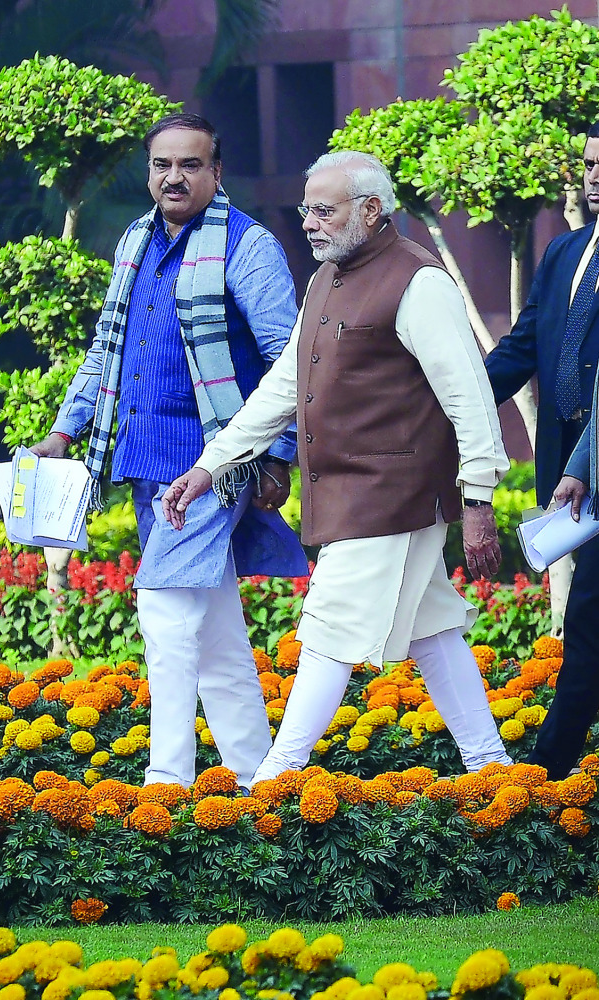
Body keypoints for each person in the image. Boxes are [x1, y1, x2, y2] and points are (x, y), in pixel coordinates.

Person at [161, 149, 514, 784]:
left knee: (325, 628)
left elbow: (468, 393)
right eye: (306, 211)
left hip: (392, 495)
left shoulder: (418, 279)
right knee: (433, 633)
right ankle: (492, 768)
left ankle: (274, 781)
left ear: (372, 210)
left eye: (324, 210)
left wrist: (480, 497)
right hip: (355, 496)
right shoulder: (328, 276)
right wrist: (211, 465)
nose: (309, 223)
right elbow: (283, 386)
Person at [31, 112, 308, 790]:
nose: (174, 177)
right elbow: (108, 348)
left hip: (213, 463)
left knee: (161, 607)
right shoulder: (135, 240)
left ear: (217, 172)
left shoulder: (247, 246)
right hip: (144, 461)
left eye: (190, 165)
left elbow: (287, 358)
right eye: (162, 165)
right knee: (212, 632)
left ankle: (167, 781)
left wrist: (279, 451)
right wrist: (65, 430)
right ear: (149, 172)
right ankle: (253, 779)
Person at [486, 121, 599, 780]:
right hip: (571, 474)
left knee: (586, 617)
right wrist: (449, 401)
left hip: (589, 468)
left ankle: (547, 771)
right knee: (586, 612)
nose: (595, 175)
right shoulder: (564, 252)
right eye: (588, 162)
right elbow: (522, 346)